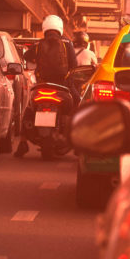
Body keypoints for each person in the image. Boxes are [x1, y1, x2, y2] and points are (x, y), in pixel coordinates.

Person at [15, 14, 77, 157]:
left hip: (42, 86)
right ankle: (80, 143)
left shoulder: (38, 45)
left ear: (45, 28)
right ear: (60, 28)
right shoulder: (67, 44)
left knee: (28, 110)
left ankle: (22, 143)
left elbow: (26, 57)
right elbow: (74, 65)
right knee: (78, 105)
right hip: (62, 87)